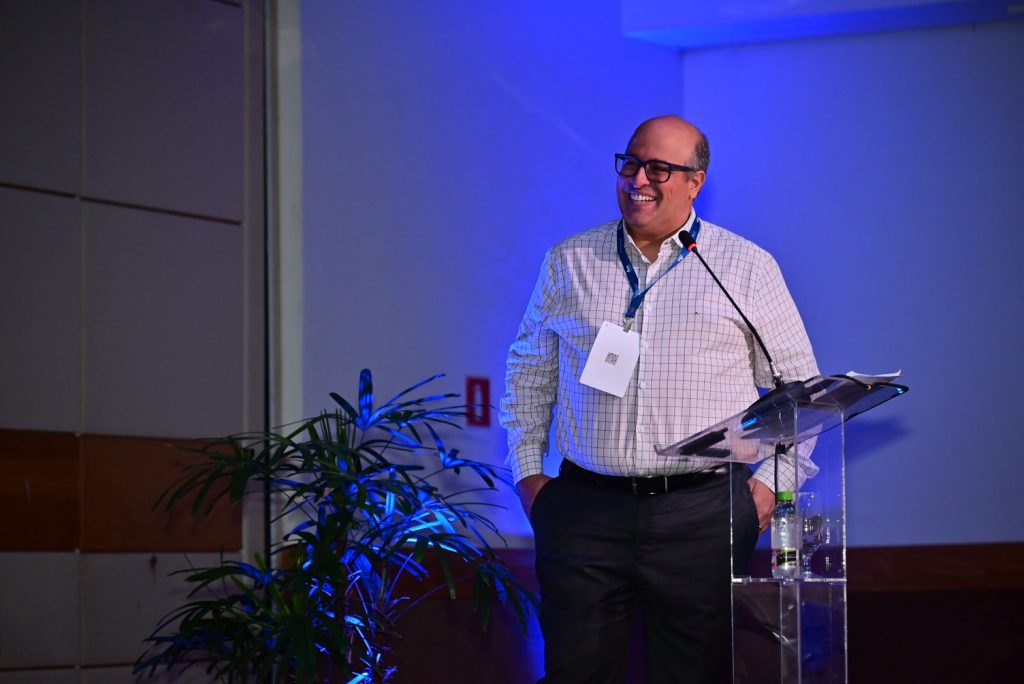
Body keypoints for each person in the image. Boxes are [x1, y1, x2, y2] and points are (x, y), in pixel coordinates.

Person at [500, 115, 819, 683]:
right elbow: (528, 374)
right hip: (584, 511)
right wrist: (529, 477)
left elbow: (797, 391)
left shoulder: (745, 267)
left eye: (658, 169)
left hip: (701, 514)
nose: (638, 179)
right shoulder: (570, 261)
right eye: (630, 163)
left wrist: (772, 484)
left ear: (696, 182)